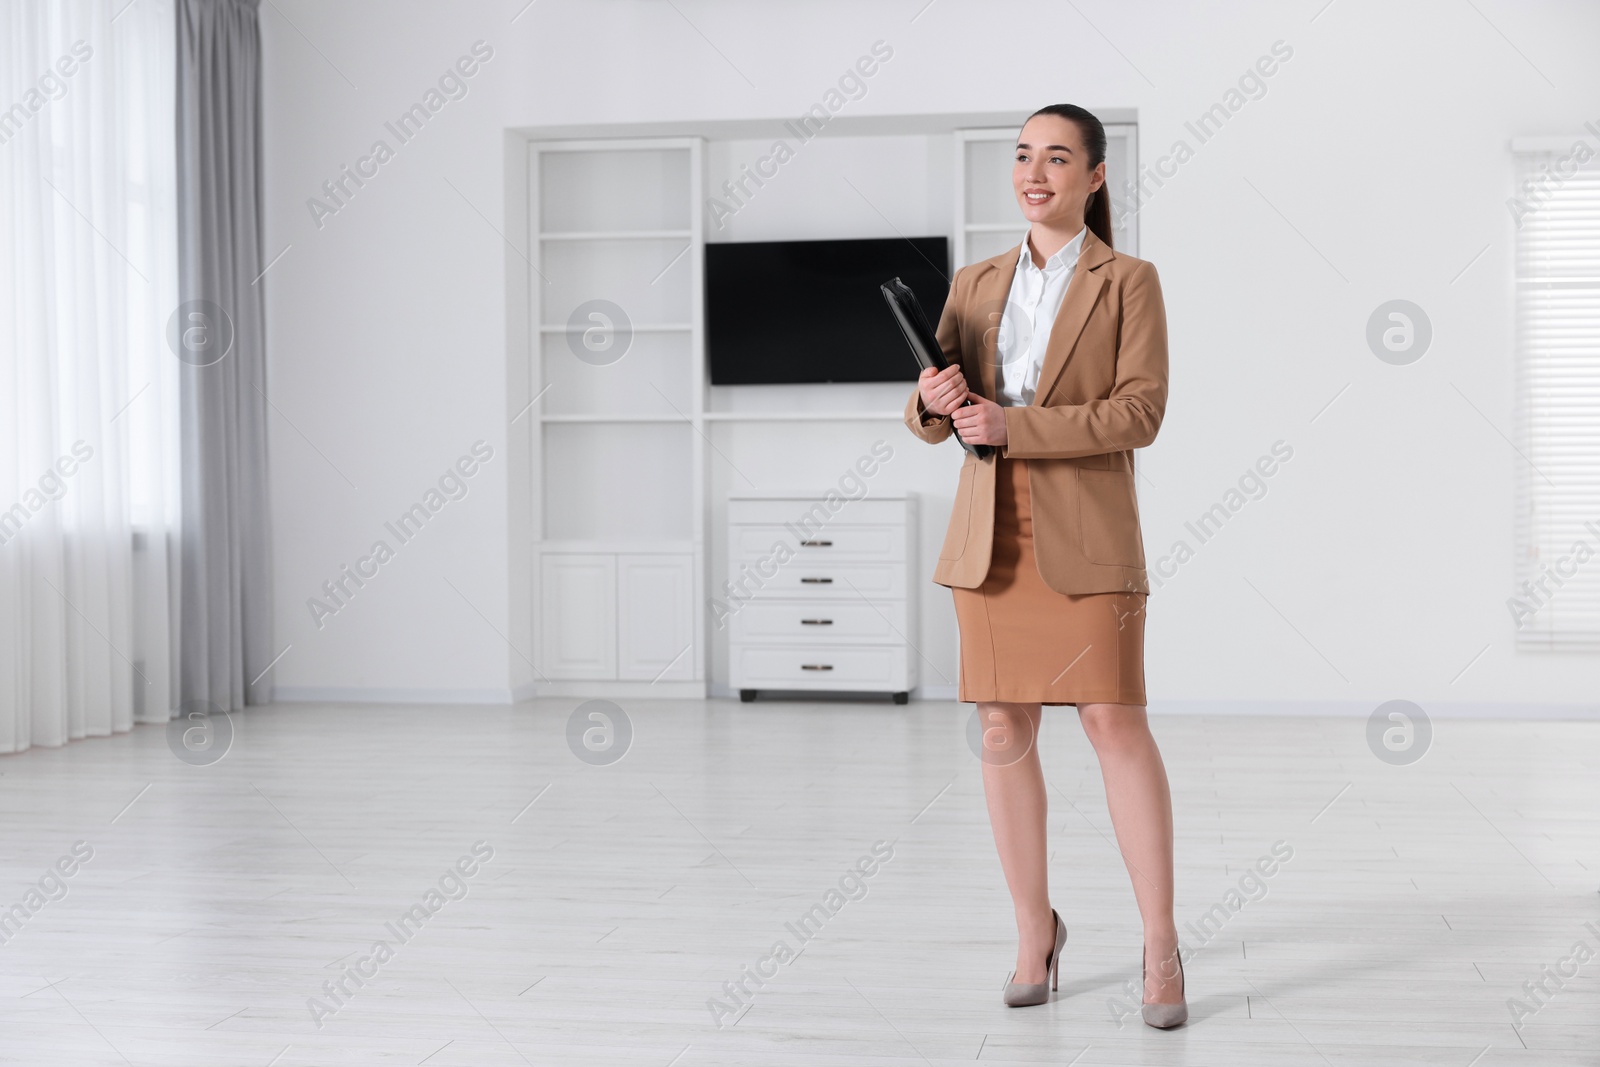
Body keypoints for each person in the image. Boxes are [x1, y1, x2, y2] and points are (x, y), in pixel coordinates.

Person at [904, 103, 1184, 1028]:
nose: (1036, 172)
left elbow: (1140, 412)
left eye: (1057, 158)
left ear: (1095, 177)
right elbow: (936, 413)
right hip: (990, 534)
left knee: (1112, 721)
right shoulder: (977, 281)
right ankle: (1036, 931)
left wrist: (1014, 424)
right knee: (1000, 730)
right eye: (1024, 156)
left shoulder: (1128, 281)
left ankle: (1159, 941)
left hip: (1090, 530)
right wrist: (931, 399)